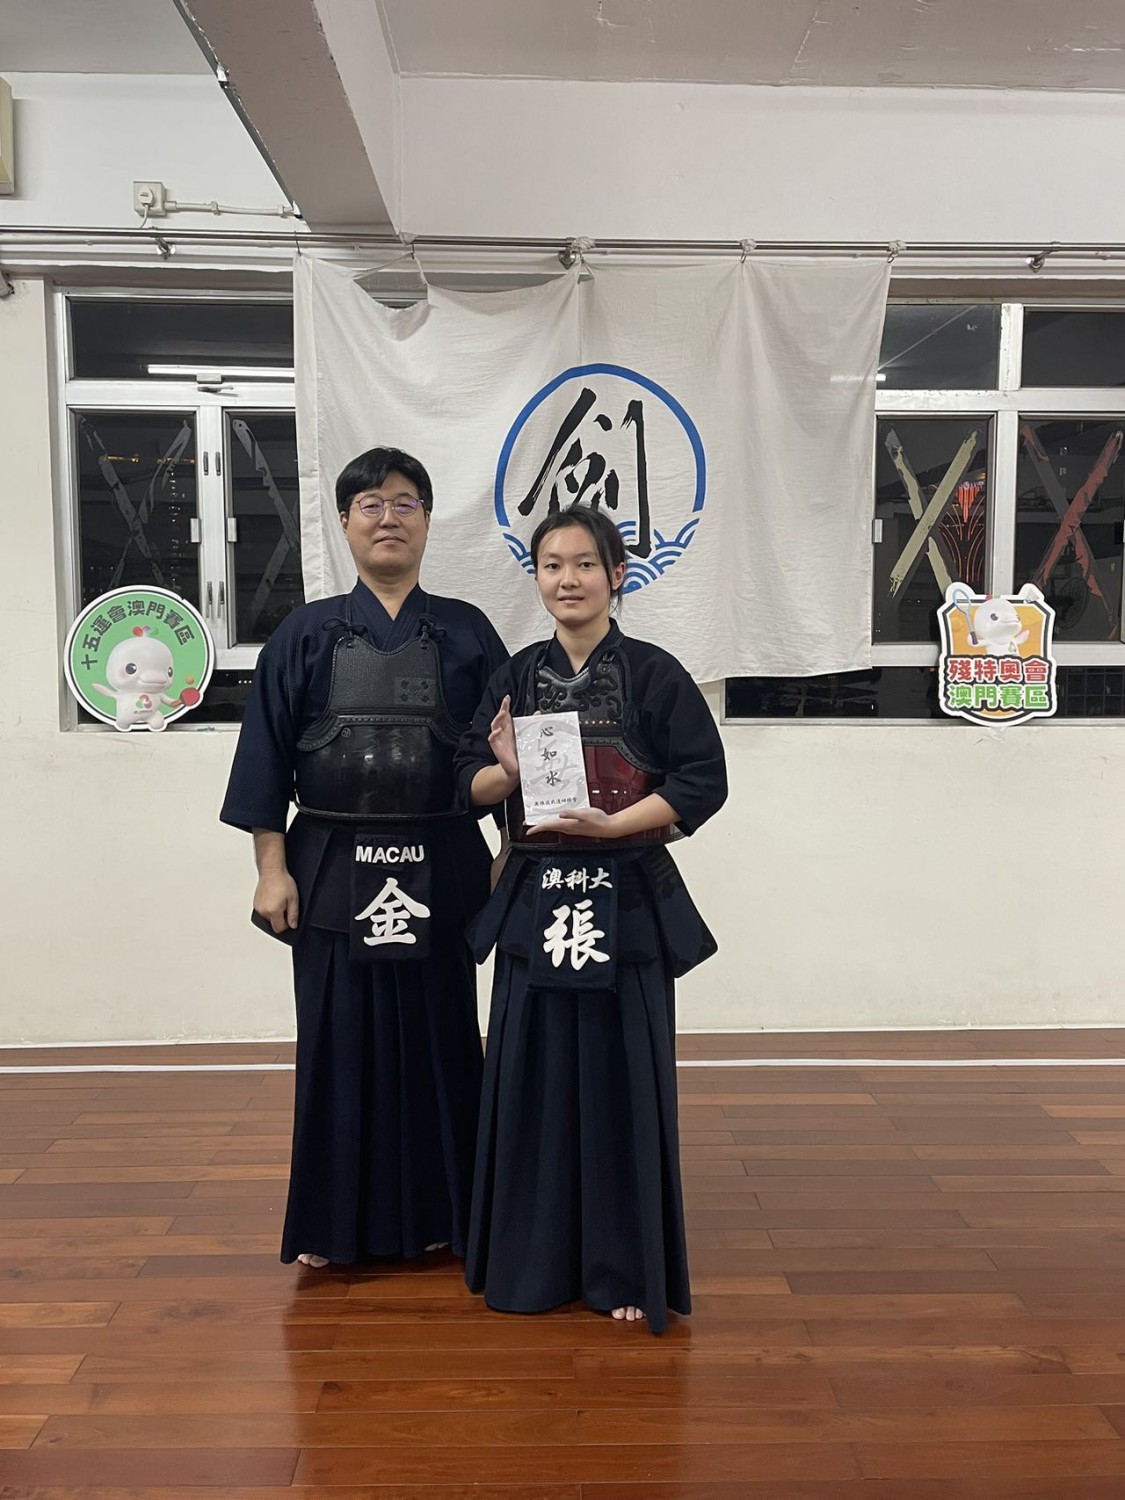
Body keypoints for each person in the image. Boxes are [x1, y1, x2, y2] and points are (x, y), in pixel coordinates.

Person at [220, 446, 508, 1268]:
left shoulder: (466, 631)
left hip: (443, 857)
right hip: (330, 860)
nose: (389, 518)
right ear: (345, 523)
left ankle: (450, 1213)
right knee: (337, 1042)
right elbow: (266, 759)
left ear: (427, 522)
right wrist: (271, 868)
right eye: (371, 505)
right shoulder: (304, 634)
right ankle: (332, 1225)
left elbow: (503, 751)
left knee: (442, 1036)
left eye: (405, 503)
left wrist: (506, 850)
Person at [457, 503, 727, 1333]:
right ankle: (529, 1266)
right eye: (551, 565)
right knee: (528, 1083)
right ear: (535, 577)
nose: (567, 580)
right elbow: (464, 784)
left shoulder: (654, 674)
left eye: (583, 564)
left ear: (616, 576)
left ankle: (625, 1267)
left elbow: (701, 781)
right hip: (535, 901)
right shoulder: (513, 675)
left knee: (621, 1085)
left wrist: (616, 826)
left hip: (626, 898)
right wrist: (505, 772)